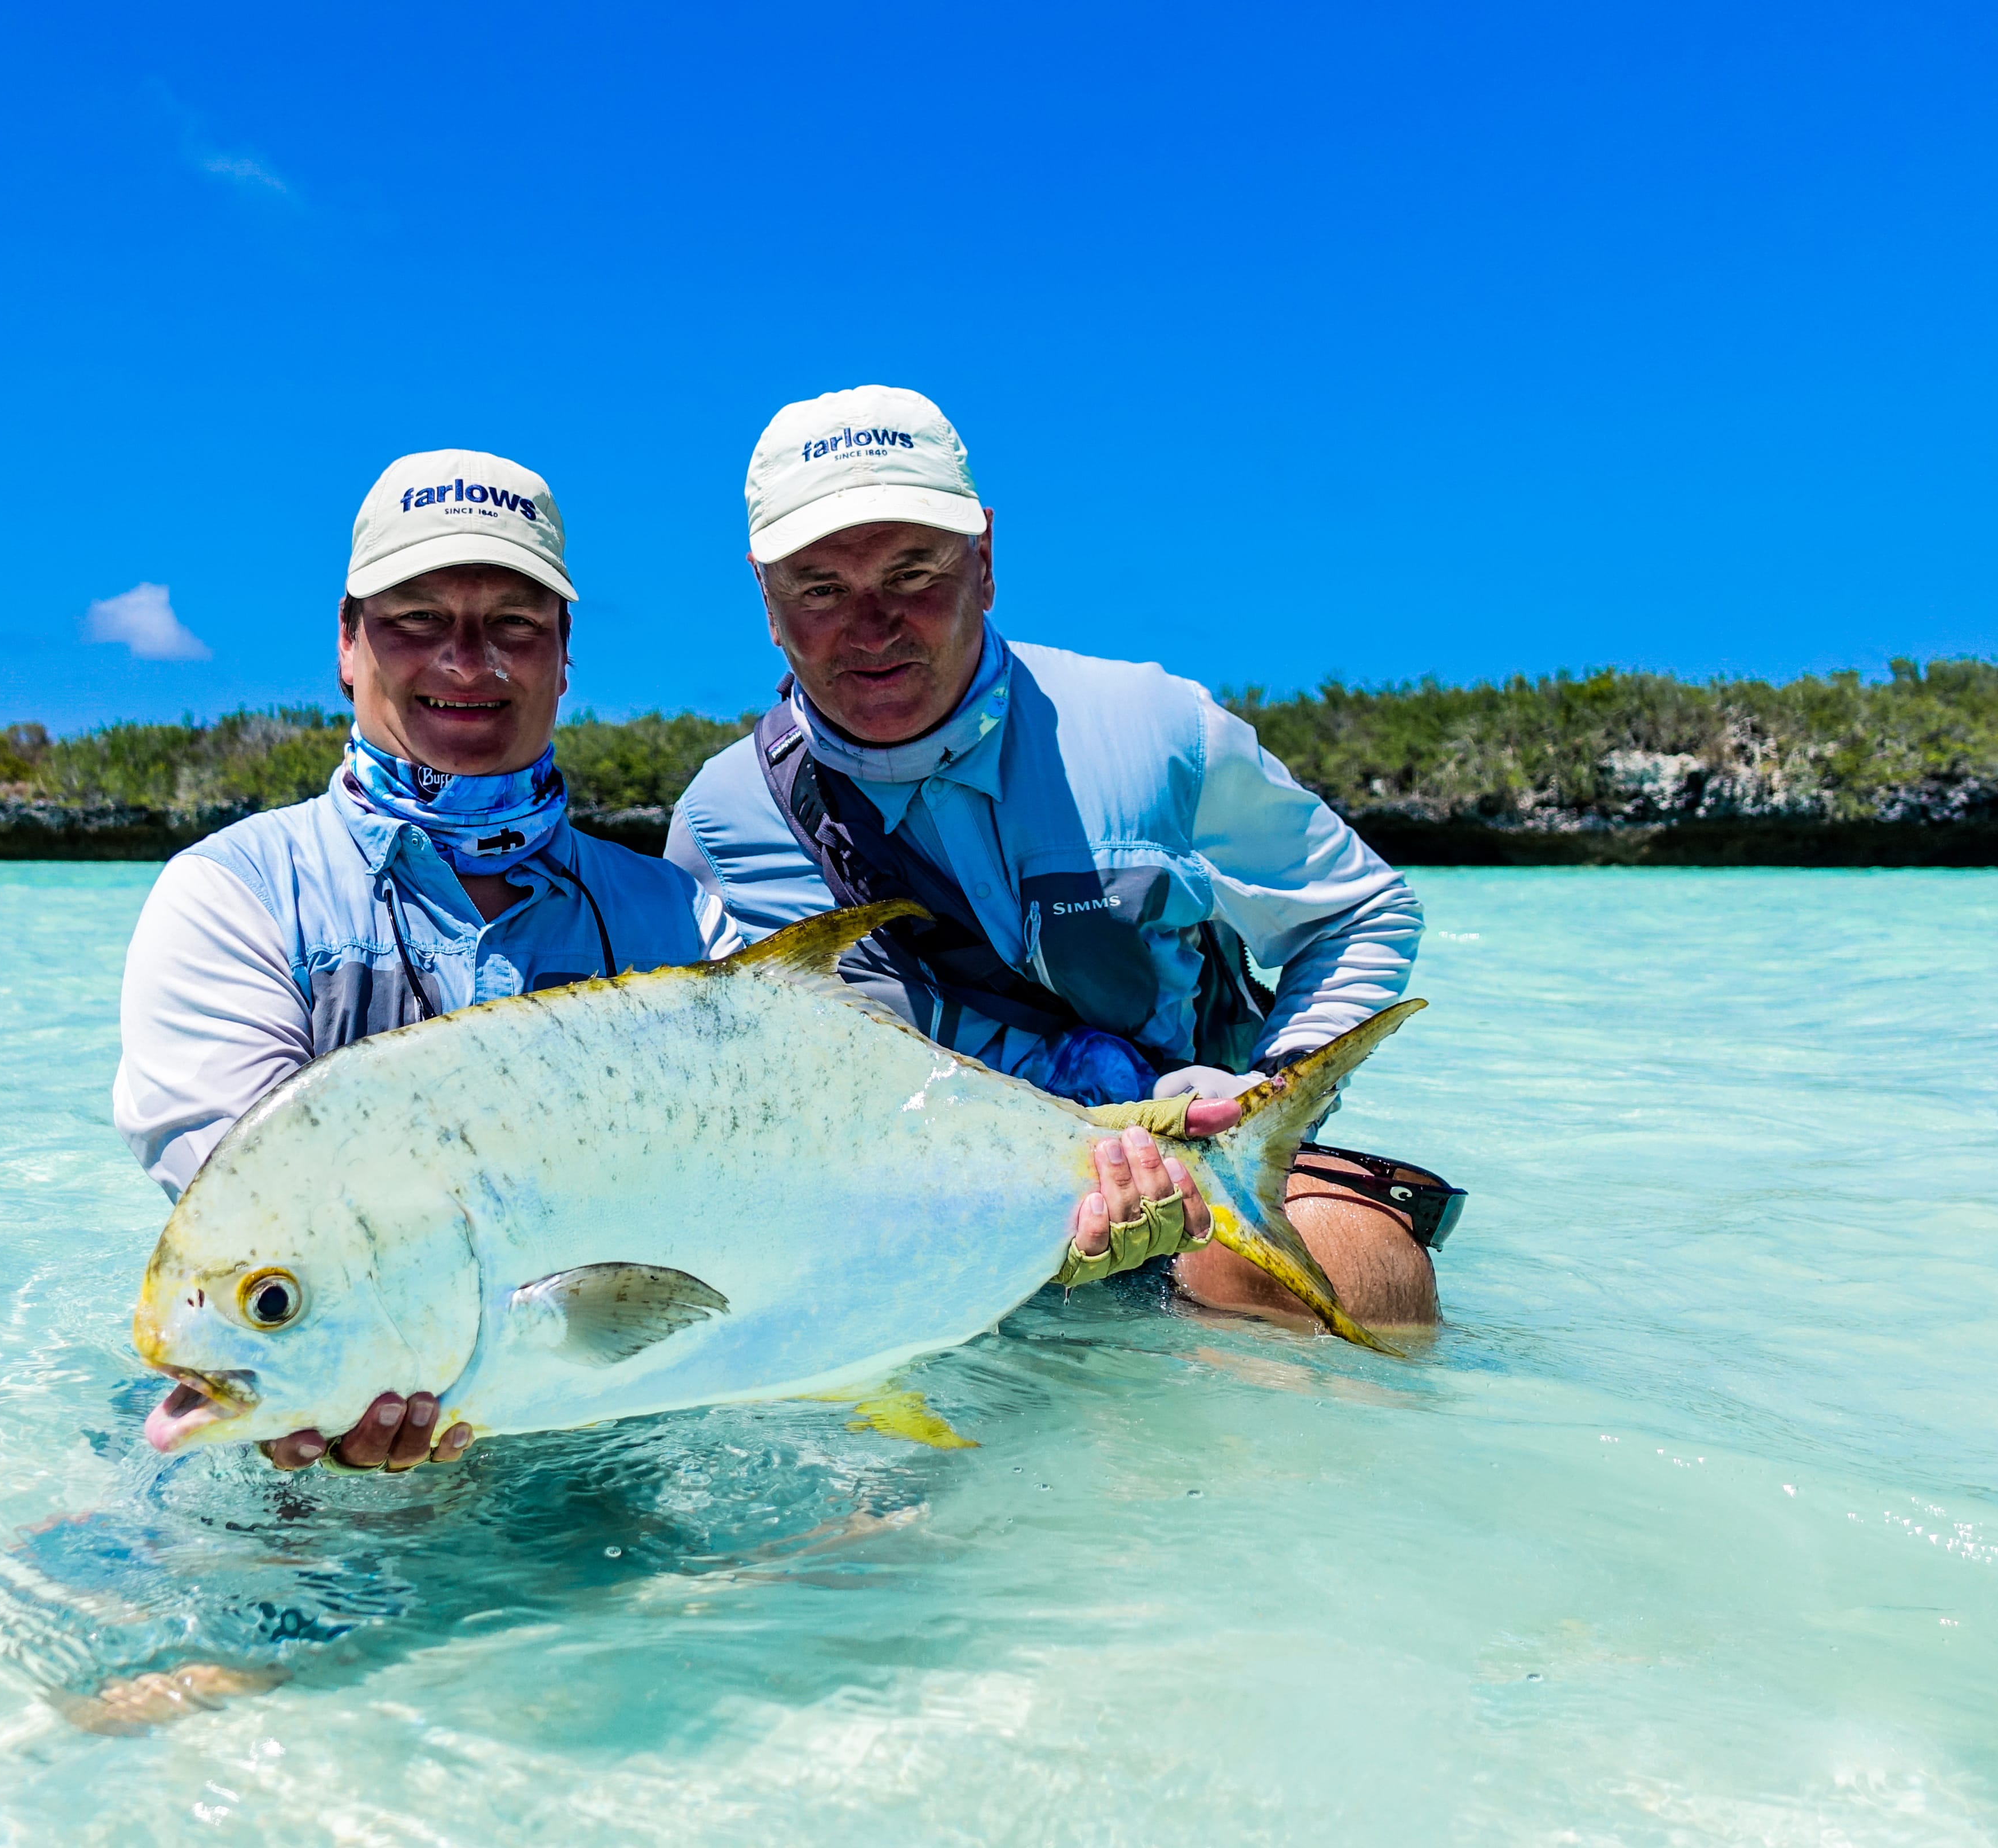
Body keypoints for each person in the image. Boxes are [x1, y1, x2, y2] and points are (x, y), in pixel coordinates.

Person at [668, 386, 1452, 1328]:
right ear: (766, 600)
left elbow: (1358, 910)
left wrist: (1271, 1098)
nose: (872, 627)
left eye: (914, 573)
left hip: (1200, 1158)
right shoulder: (720, 823)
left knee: (1367, 1273)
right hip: (928, 1204)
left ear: (985, 561)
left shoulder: (1160, 731)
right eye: (821, 588)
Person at [116, 448, 748, 1473]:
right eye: (416, 619)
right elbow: (278, 1236)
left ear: (561, 652)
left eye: (512, 625)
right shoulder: (232, 898)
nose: (467, 662)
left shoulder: (685, 922)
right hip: (311, 1489)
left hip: (619, 1459)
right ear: (347, 644)